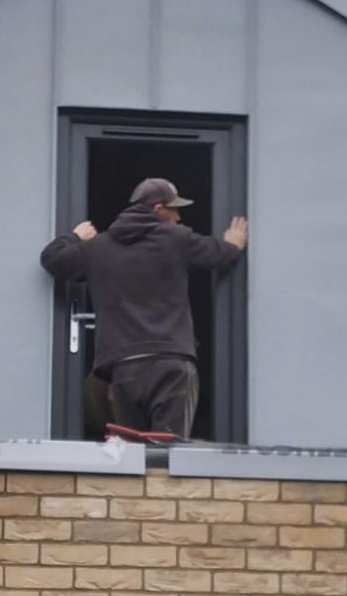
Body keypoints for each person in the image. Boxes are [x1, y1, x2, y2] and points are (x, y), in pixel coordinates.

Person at [40, 177, 247, 439]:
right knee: (168, 451)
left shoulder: (98, 248)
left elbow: (52, 259)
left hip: (125, 366)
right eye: (175, 209)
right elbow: (217, 254)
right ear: (159, 210)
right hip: (171, 362)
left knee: (131, 451)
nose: (179, 217)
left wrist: (75, 237)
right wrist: (233, 243)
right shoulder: (176, 239)